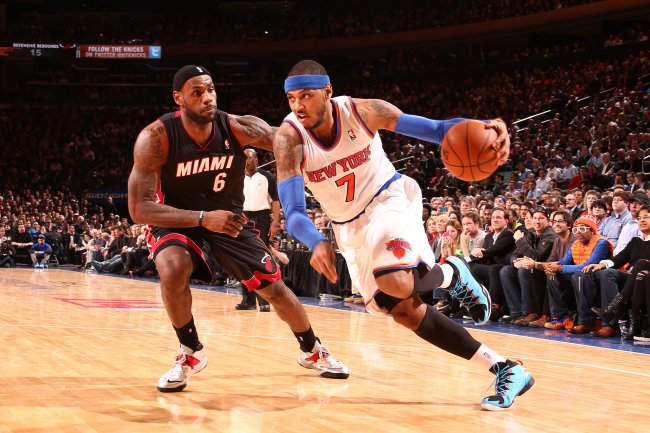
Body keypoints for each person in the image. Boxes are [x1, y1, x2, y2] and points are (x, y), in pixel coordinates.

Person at [273, 60, 533, 411]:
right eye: (291, 98)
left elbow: (440, 130)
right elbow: (293, 213)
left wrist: (483, 129)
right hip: (348, 227)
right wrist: (316, 241)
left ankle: (452, 271)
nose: (298, 106)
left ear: (328, 92)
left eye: (306, 96)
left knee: (395, 281)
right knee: (400, 310)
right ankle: (505, 368)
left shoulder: (364, 111)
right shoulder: (289, 139)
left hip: (388, 199)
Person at [127, 65, 349, 393]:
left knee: (274, 289)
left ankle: (312, 350)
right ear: (179, 99)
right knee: (173, 268)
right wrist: (202, 217)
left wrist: (337, 147)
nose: (208, 98)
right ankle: (190, 352)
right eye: (197, 92)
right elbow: (139, 209)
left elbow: (287, 141)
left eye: (211, 89)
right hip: (177, 217)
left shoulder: (236, 126)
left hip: (228, 220)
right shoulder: (156, 137)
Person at [582, 205, 650, 339]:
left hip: (643, 278)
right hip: (629, 278)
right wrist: (602, 264)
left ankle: (614, 311)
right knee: (606, 272)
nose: (642, 220)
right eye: (640, 218)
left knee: (640, 272)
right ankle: (613, 311)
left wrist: (637, 269)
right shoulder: (635, 241)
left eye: (646, 217)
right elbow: (618, 259)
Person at [235, 148, 280, 312]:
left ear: (256, 160)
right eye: (244, 158)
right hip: (242, 216)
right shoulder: (237, 177)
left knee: (261, 258)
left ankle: (264, 300)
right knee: (242, 258)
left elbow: (275, 200)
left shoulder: (267, 176)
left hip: (261, 217)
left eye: (249, 158)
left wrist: (275, 222)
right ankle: (247, 300)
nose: (246, 161)